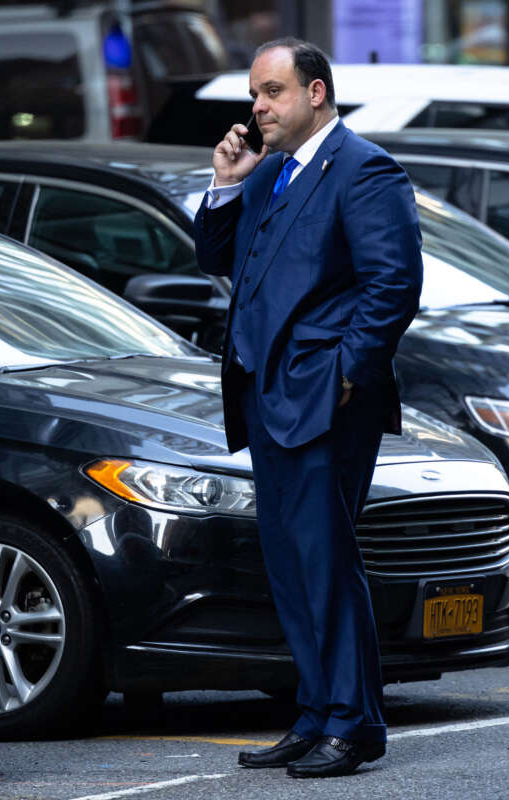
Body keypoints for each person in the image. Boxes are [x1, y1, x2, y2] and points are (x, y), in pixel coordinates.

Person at [193, 38, 423, 778]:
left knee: (325, 559)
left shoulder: (364, 169)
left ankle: (353, 724)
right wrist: (226, 185)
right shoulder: (267, 173)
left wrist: (349, 373)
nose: (257, 107)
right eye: (255, 94)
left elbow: (395, 284)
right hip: (265, 392)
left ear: (316, 93)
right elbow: (221, 259)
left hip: (326, 395)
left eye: (272, 92)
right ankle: (317, 712)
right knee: (291, 563)